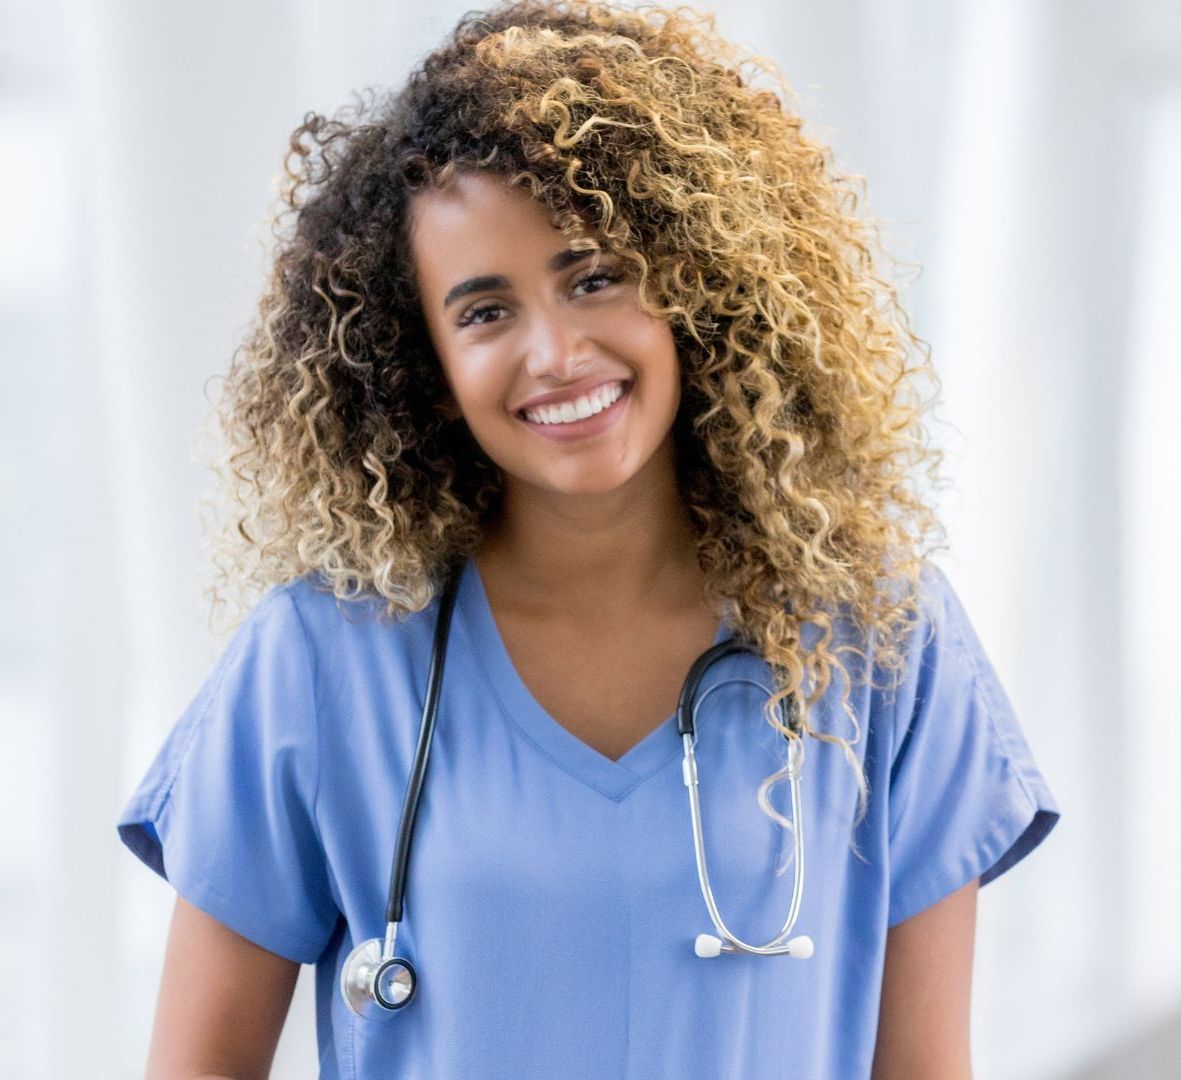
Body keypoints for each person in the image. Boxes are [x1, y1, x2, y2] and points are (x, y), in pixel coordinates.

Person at [116, 1, 1061, 1076]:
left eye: (593, 276)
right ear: (416, 361)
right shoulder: (321, 661)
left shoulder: (883, 644)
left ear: (697, 281)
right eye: (483, 312)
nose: (555, 352)